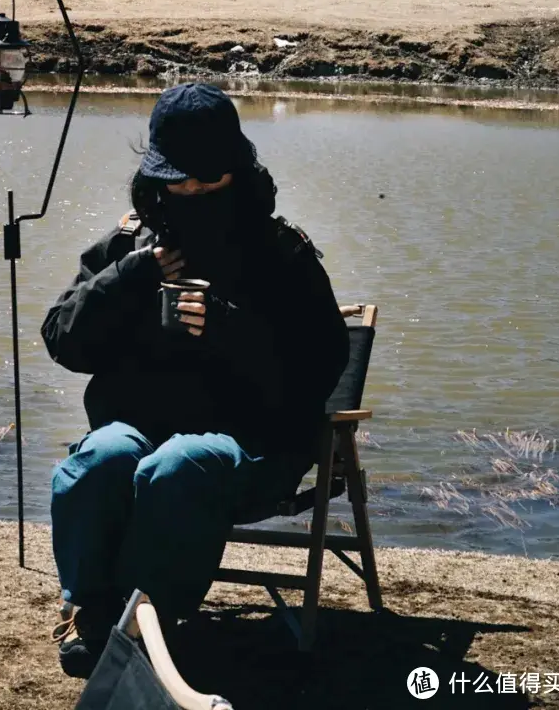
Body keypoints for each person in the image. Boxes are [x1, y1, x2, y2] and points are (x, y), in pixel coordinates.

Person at [41, 82, 349, 678]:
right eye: (178, 181)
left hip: (253, 446)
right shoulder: (131, 244)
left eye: (209, 181)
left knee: (180, 464)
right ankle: (93, 609)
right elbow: (62, 338)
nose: (192, 193)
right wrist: (123, 281)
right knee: (102, 455)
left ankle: (146, 621)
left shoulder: (282, 254)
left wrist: (232, 330)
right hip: (138, 434)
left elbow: (321, 368)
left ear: (239, 170)